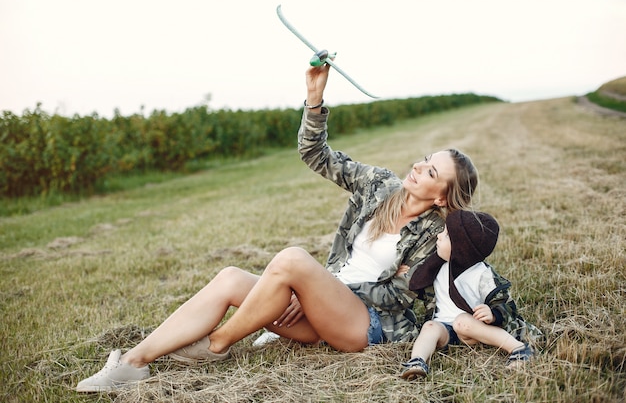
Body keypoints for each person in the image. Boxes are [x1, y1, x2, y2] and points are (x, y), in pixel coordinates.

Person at [76, 63, 480, 392]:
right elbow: (315, 153)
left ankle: (216, 344)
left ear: (443, 196)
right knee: (231, 277)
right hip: (321, 304)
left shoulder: (436, 233)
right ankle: (133, 362)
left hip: (364, 324)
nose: (416, 166)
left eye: (430, 170)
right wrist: (314, 96)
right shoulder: (379, 184)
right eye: (424, 158)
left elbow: (400, 297)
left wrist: (315, 292)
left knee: (292, 260)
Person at [399, 210, 543, 380]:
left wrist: (494, 314)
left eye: (445, 235)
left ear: (460, 248)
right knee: (429, 327)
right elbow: (418, 283)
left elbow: (506, 303)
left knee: (462, 321)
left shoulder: (482, 274)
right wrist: (404, 274)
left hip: (471, 330)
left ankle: (518, 349)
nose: (438, 236)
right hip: (445, 329)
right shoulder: (439, 265)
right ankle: (417, 361)